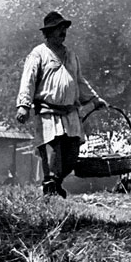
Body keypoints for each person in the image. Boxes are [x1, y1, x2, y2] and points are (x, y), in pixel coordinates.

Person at [15, 11, 106, 198]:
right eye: (58, 28)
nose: (63, 32)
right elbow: (28, 81)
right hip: (48, 114)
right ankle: (51, 190)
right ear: (48, 32)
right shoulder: (38, 54)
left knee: (71, 157)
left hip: (70, 115)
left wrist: (94, 99)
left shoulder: (71, 55)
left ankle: (54, 185)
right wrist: (23, 105)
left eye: (64, 28)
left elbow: (79, 81)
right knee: (53, 155)